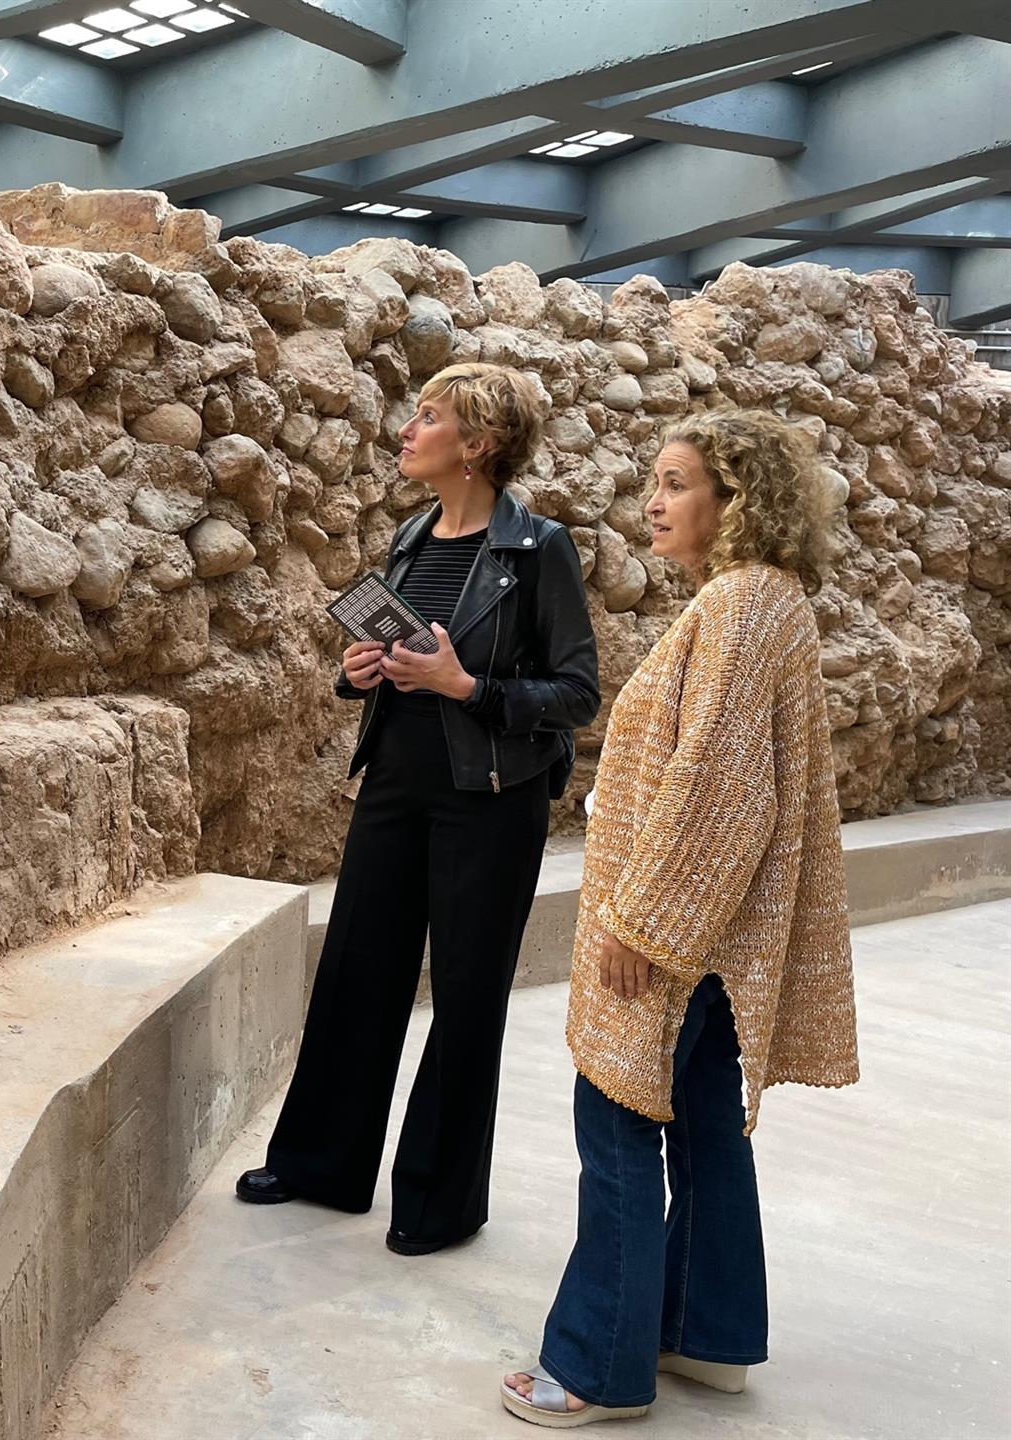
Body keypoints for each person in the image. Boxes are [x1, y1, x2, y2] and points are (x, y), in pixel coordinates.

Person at [503, 408, 860, 1427]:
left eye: (676, 482)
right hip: (722, 928)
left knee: (615, 1119)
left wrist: (643, 921)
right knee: (704, 1125)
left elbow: (717, 785)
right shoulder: (765, 601)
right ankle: (708, 1336)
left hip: (680, 927)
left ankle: (599, 1368)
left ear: (733, 501)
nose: (653, 501)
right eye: (654, 481)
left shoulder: (741, 606)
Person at [236, 362, 599, 1255]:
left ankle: (437, 1201)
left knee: (468, 998)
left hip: (491, 799)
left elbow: (578, 691)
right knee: (358, 970)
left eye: (427, 417)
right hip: (396, 781)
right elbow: (396, 660)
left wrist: (467, 684)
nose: (409, 429)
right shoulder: (410, 536)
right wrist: (360, 672)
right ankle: (320, 1162)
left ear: (476, 446)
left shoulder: (536, 548)